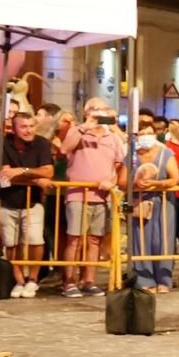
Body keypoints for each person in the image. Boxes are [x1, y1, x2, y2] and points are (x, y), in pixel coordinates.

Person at [61, 99, 126, 297]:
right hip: (78, 194)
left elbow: (119, 164)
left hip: (102, 196)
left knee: (95, 239)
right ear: (86, 112)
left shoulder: (112, 137)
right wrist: (85, 127)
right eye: (94, 110)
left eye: (102, 110)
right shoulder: (77, 131)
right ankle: (69, 281)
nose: (99, 114)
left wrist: (111, 181)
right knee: (74, 239)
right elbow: (64, 149)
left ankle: (89, 280)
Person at [0, 109, 54, 298]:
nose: (28, 130)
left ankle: (33, 279)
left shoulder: (41, 143)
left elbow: (48, 171)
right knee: (10, 243)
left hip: (33, 202)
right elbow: (4, 175)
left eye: (31, 126)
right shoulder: (2, 144)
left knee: (36, 241)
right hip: (7, 201)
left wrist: (21, 170)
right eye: (24, 127)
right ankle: (18, 279)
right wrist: (35, 179)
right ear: (14, 129)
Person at [128, 119, 179, 292]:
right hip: (140, 201)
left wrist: (156, 184)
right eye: (141, 134)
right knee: (141, 239)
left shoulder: (166, 153)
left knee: (163, 239)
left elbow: (174, 178)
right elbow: (121, 180)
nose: (145, 137)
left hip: (163, 201)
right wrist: (135, 183)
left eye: (149, 133)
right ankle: (144, 280)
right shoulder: (131, 155)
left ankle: (164, 279)